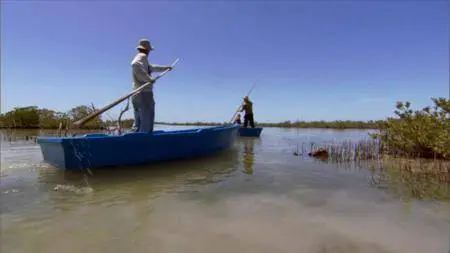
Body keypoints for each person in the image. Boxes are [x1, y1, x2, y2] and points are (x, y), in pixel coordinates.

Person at [131, 38, 172, 132]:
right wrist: (149, 79)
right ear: (147, 50)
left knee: (138, 124)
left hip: (136, 94)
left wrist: (166, 68)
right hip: (144, 94)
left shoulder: (143, 59)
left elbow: (151, 68)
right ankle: (145, 143)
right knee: (147, 122)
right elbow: (135, 65)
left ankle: (134, 141)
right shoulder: (142, 57)